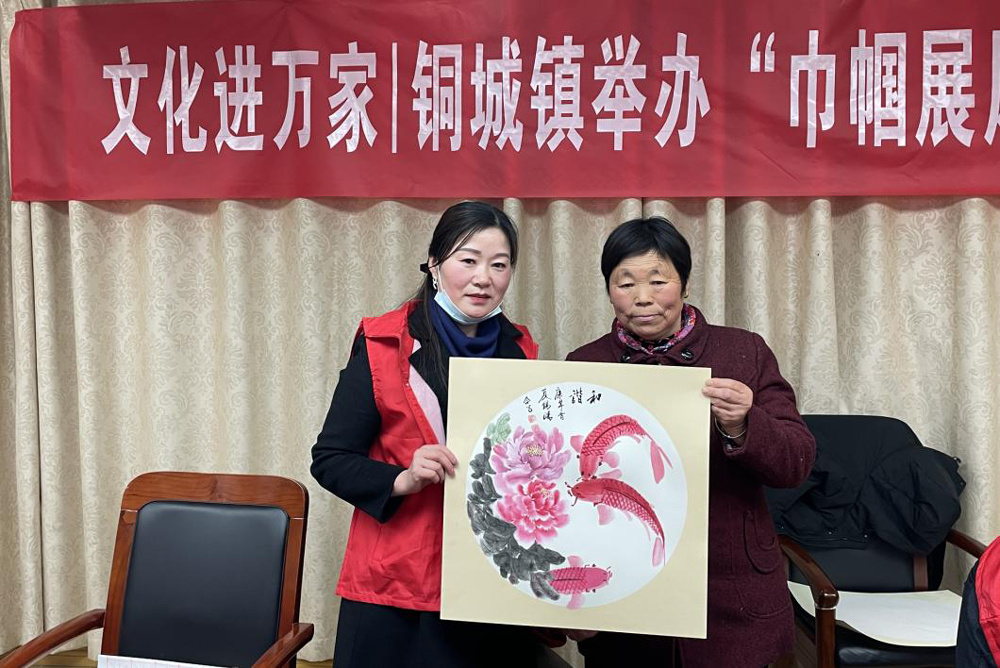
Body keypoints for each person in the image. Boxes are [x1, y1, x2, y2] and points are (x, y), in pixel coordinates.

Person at [565, 216, 816, 668]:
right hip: (625, 601)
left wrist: (746, 423)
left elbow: (796, 464)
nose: (642, 297)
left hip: (731, 594)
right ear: (608, 289)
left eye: (658, 280)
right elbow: (570, 487)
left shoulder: (743, 352)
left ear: (685, 282)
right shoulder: (585, 365)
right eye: (625, 283)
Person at [311, 201, 546, 668]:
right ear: (435, 264)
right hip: (396, 585)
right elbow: (330, 458)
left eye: (499, 265)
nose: (483, 278)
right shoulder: (383, 343)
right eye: (468, 260)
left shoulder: (520, 350)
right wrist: (402, 478)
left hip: (489, 579)